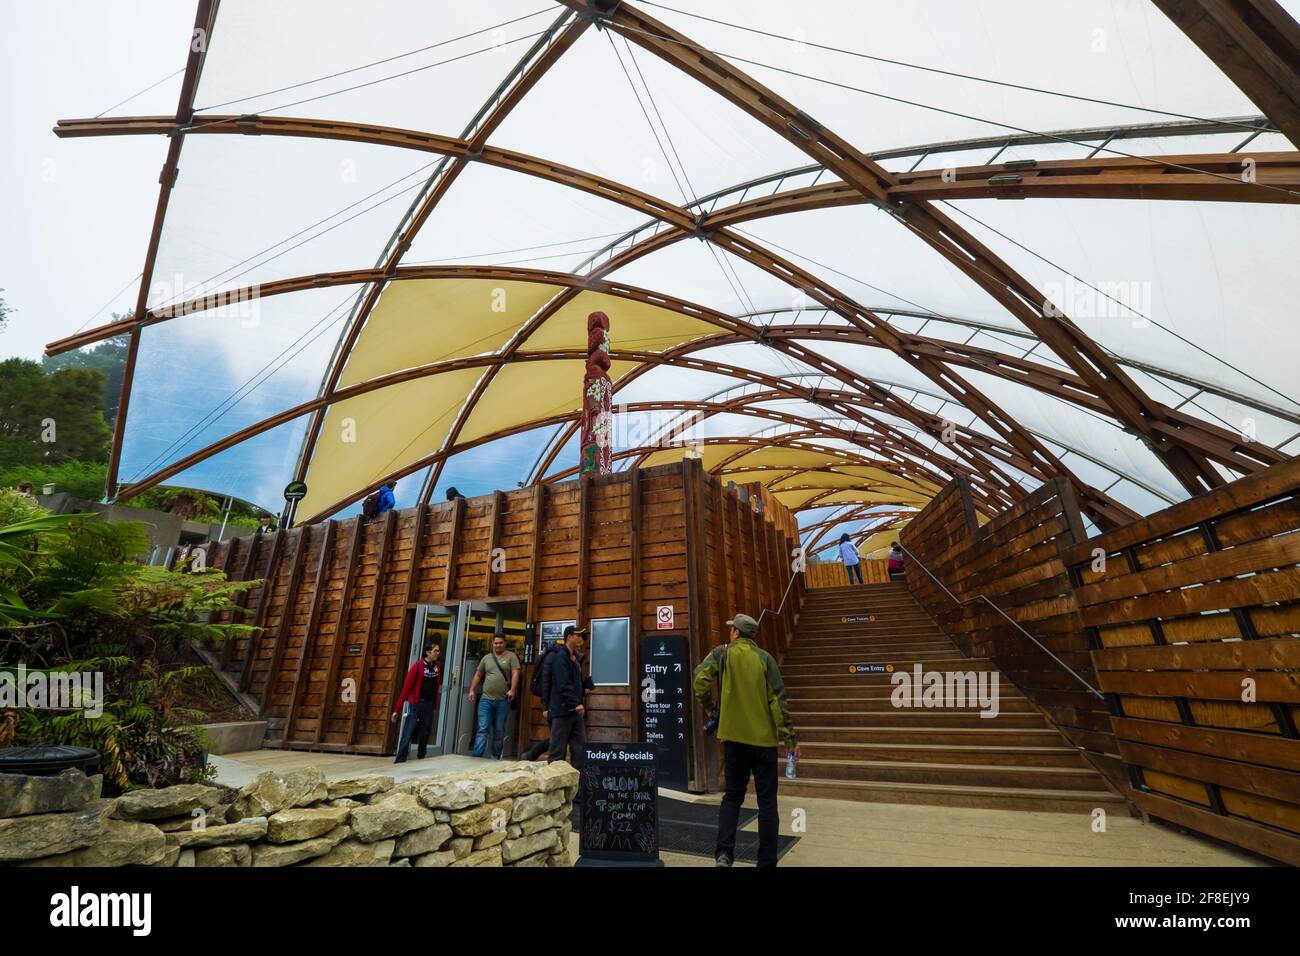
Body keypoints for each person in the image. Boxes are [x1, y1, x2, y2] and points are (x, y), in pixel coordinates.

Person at [693, 612, 797, 868]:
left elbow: (699, 681)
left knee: (732, 798)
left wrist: (712, 709)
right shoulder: (766, 660)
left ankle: (724, 855)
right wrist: (790, 740)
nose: (730, 632)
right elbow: (778, 701)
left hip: (734, 741)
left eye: (732, 629)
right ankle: (767, 861)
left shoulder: (722, 653)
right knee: (767, 803)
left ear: (736, 632)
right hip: (764, 745)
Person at [540, 625, 594, 776]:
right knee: (557, 753)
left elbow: (572, 684)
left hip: (574, 713)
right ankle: (554, 791)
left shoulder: (575, 658)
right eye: (578, 635)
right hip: (562, 712)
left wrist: (584, 688)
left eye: (582, 636)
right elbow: (563, 685)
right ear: (569, 636)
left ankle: (577, 794)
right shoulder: (560, 657)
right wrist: (576, 703)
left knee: (579, 750)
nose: (581, 639)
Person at [467, 631, 520, 759]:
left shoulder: (511, 656)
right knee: (482, 728)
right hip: (486, 699)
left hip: (503, 700)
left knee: (499, 730)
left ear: (505, 643)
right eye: (496, 643)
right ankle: (476, 757)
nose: (498, 645)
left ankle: (495, 756)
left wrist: (512, 689)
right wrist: (472, 690)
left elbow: (515, 673)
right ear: (492, 644)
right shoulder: (486, 658)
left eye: (500, 643)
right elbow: (478, 674)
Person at [391, 642, 443, 762]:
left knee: (425, 731)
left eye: (438, 651)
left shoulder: (437, 667)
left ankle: (421, 756)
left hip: (428, 704)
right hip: (416, 703)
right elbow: (406, 688)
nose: (438, 653)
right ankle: (400, 758)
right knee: (409, 729)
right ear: (428, 652)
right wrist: (397, 710)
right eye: (435, 651)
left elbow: (437, 685)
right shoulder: (417, 666)